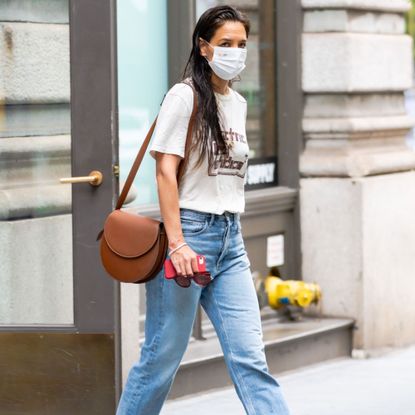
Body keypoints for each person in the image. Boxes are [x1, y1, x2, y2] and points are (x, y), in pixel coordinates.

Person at [116, 5, 291, 415]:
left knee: (251, 359)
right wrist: (176, 243)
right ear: (203, 47)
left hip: (232, 241)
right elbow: (164, 171)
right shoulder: (185, 96)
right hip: (190, 237)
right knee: (161, 360)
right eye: (225, 44)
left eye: (241, 44)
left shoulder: (239, 104)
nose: (235, 51)